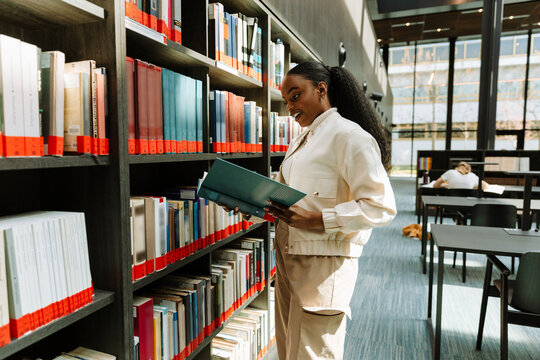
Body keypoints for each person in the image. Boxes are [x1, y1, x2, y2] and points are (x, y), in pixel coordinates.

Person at [254, 61, 397, 359]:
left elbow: (381, 206)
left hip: (324, 265)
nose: (290, 107)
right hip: (288, 257)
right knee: (289, 349)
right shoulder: (302, 139)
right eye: (286, 100)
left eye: (296, 95)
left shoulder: (350, 137)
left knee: (313, 353)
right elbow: (283, 193)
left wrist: (317, 219)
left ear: (321, 90)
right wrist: (250, 200)